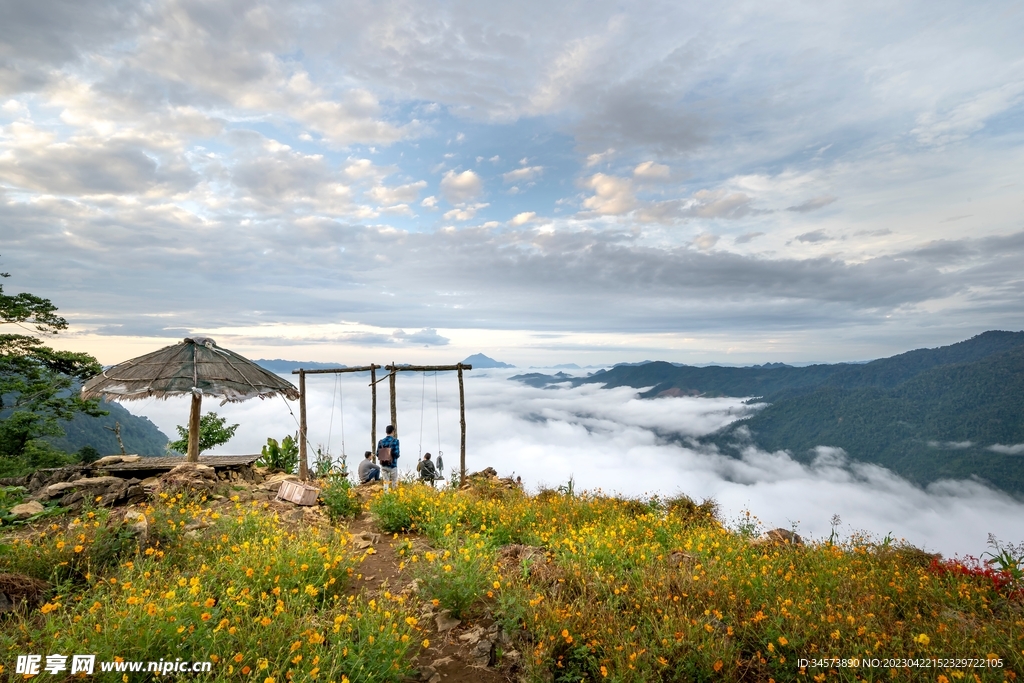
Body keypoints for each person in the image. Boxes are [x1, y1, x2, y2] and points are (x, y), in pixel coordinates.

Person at [377, 425, 400, 491]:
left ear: (386, 432)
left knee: (385, 483)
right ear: (393, 431)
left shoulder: (380, 442)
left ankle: (386, 496)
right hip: (393, 465)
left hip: (383, 465)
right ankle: (394, 497)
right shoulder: (395, 441)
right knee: (394, 483)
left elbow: (377, 453)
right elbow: (396, 453)